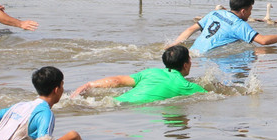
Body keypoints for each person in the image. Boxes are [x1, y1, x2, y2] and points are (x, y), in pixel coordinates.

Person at [168, 0, 277, 54]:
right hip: (207, 56)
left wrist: (175, 44)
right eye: (250, 10)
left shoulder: (215, 13)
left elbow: (191, 29)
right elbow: (263, 41)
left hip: (192, 51)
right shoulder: (239, 25)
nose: (250, 13)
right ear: (243, 11)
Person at [71, 45, 206, 104]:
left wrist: (89, 85)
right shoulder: (188, 86)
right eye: (189, 58)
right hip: (130, 109)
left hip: (115, 102)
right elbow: (214, 97)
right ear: (185, 65)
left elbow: (117, 81)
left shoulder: (150, 72)